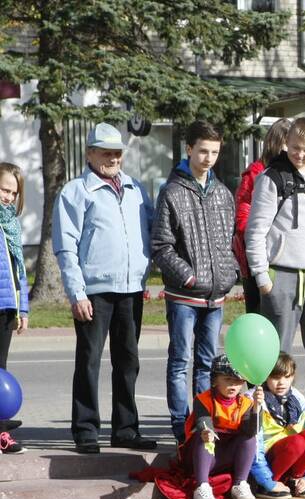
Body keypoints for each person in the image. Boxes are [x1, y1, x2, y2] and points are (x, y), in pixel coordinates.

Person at [52, 122, 156, 454]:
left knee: (128, 362)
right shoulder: (75, 192)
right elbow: (66, 247)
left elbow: (152, 230)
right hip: (94, 291)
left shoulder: (136, 188)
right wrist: (76, 292)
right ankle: (85, 429)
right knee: (89, 361)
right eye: (106, 152)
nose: (113, 159)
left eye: (117, 153)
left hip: (131, 289)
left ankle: (125, 429)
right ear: (90, 154)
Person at [245, 116, 305, 398]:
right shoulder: (270, 178)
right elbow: (255, 232)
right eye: (295, 147)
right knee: (277, 357)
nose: (300, 155)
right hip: (282, 276)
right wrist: (263, 278)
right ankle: (275, 419)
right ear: (286, 143)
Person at [152, 120, 239, 443]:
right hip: (185, 296)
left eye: (214, 152)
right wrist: (188, 276)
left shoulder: (222, 193)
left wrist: (228, 274)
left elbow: (229, 241)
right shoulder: (172, 192)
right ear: (189, 149)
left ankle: (202, 425)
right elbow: (161, 245)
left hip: (215, 297)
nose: (208, 158)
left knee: (206, 363)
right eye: (203, 150)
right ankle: (179, 427)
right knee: (180, 361)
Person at [182, 355, 260, 499]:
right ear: (215, 380)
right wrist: (207, 431)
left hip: (227, 455)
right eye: (227, 380)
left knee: (249, 437)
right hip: (202, 456)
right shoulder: (203, 399)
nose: (233, 385)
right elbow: (203, 421)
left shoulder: (246, 403)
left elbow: (250, 430)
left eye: (237, 381)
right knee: (204, 436)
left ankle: (240, 484)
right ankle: (202, 486)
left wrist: (257, 408)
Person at [234, 118, 291, 314]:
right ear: (276, 143)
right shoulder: (257, 173)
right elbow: (243, 217)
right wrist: (262, 240)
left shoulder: (293, 173)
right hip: (259, 260)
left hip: (285, 259)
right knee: (260, 314)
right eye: (287, 143)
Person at [250, 352, 305, 498]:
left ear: (293, 377)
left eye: (287, 377)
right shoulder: (255, 399)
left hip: (291, 455)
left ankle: (295, 480)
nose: (281, 382)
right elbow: (254, 445)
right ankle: (269, 486)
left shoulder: (298, 399)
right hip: (266, 462)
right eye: (275, 377)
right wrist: (267, 482)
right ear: (265, 377)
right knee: (298, 441)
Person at [0, 162, 27, 451]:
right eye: (4, 189)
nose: (8, 197)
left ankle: (1, 434)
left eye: (13, 192)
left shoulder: (11, 224)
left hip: (7, 308)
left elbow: (20, 272)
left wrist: (24, 310)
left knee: (1, 372)